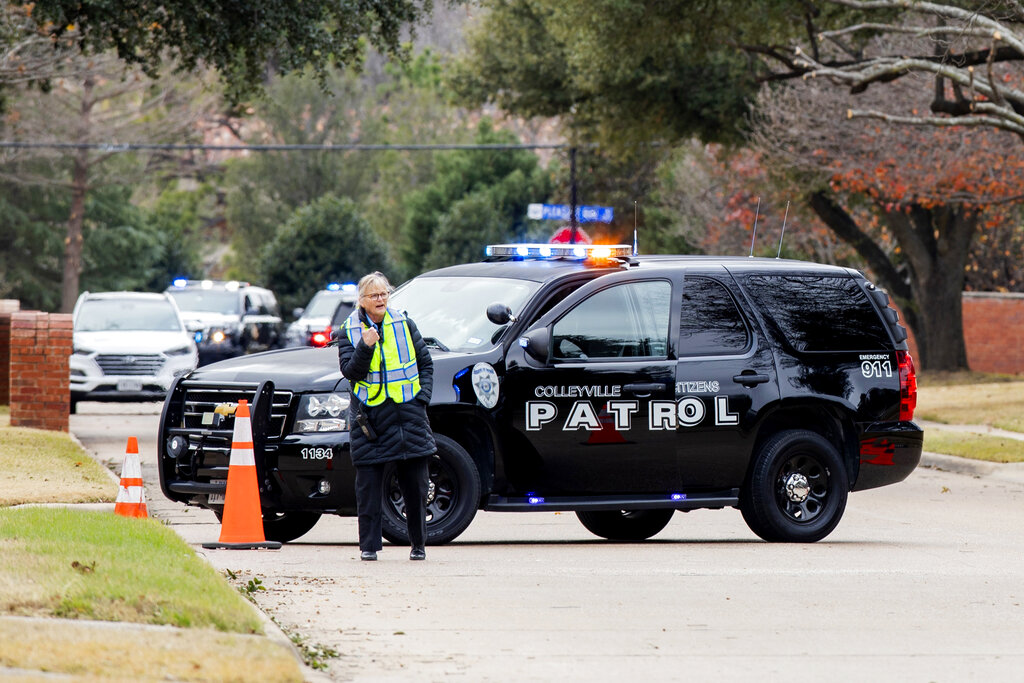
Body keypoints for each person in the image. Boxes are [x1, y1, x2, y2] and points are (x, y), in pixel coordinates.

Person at [337, 271, 436, 561]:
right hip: (370, 420)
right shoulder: (349, 329)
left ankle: (418, 545)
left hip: (408, 416)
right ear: (362, 300)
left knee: (416, 488)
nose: (380, 299)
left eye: (384, 294)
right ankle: (369, 548)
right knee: (368, 488)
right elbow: (351, 372)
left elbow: (426, 364)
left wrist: (422, 399)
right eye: (374, 295)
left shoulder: (404, 323)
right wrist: (365, 346)